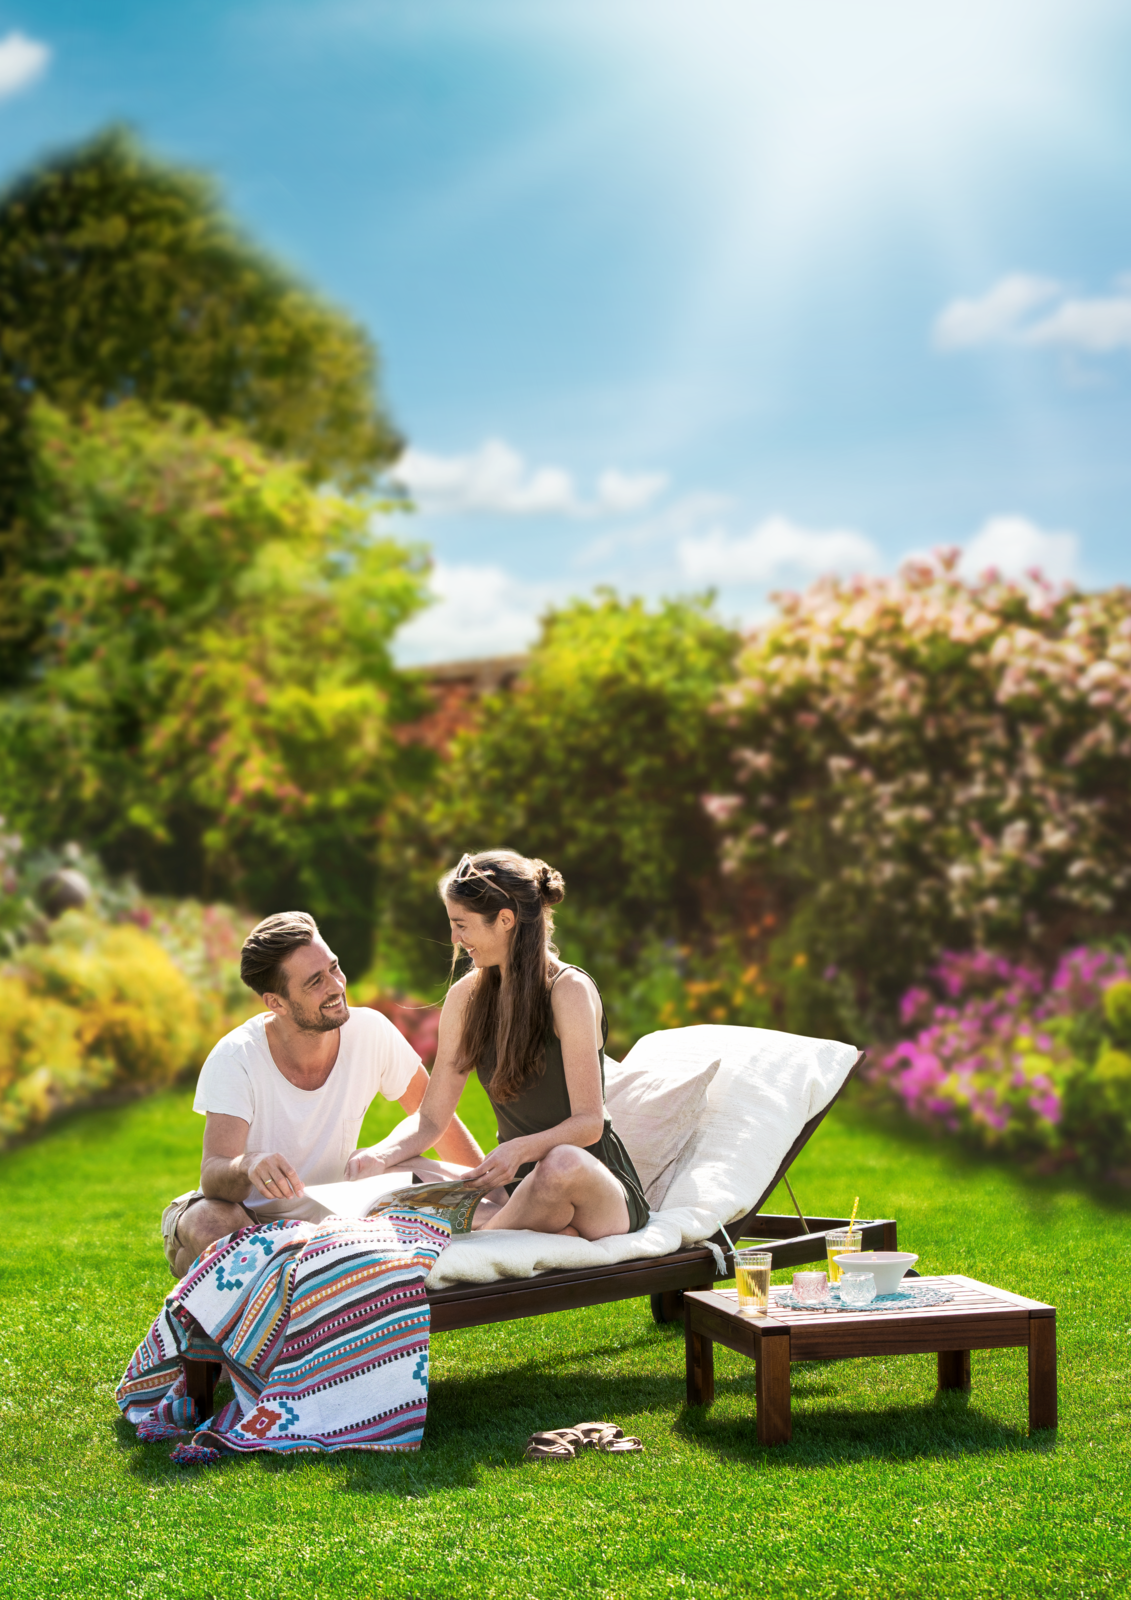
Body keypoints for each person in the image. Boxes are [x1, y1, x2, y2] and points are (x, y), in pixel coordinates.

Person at [161, 911, 483, 1278]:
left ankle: (261, 1273)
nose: (335, 986)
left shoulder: (370, 1032)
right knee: (209, 1223)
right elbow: (213, 1174)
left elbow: (433, 1117)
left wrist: (497, 1193)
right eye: (315, 981)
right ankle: (217, 1274)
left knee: (417, 1173)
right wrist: (248, 1164)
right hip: (247, 1219)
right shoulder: (236, 1057)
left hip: (330, 1215)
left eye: (334, 968)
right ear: (276, 1003)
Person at [346, 851, 649, 1240]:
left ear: (505, 920)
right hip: (513, 1189)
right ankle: (532, 1224)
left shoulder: (568, 990)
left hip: (592, 1187)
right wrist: (380, 1155)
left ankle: (481, 1239)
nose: (455, 939)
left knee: (560, 1164)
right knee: (388, 1170)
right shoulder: (465, 998)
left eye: (461, 925)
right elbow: (432, 1119)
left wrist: (519, 1150)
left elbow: (589, 1123)